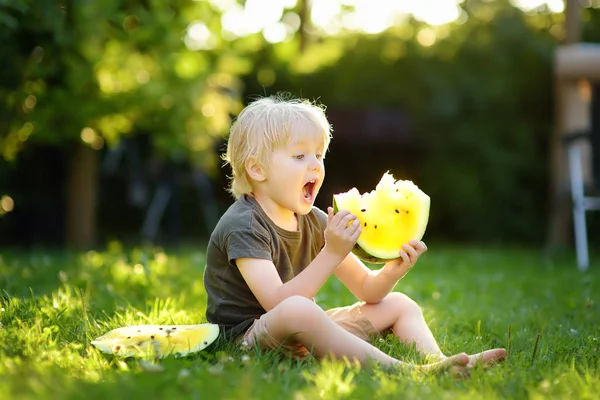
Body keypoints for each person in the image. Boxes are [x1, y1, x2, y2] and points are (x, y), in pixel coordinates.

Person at [203, 94, 506, 374]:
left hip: (302, 331)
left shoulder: (314, 220)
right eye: (300, 157)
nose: (315, 166)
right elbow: (277, 303)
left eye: (319, 155)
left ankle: (441, 363)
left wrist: (393, 271)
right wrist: (331, 253)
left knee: (399, 303)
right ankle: (411, 373)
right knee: (298, 309)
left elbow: (367, 290)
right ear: (257, 169)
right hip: (245, 341)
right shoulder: (243, 225)